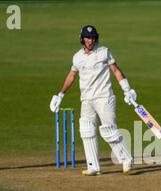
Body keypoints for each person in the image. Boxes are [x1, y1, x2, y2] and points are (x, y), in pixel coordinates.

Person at [50, 25, 136, 175]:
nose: (90, 40)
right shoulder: (77, 57)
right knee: (86, 130)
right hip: (87, 100)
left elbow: (116, 70)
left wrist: (127, 89)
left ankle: (126, 159)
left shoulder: (104, 52)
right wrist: (60, 95)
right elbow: (71, 75)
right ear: (82, 39)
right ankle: (93, 166)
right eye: (87, 38)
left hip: (104, 97)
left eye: (92, 38)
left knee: (108, 131)